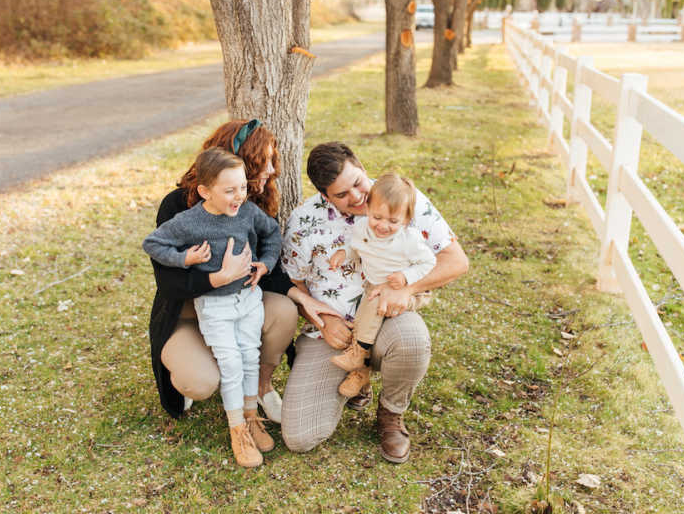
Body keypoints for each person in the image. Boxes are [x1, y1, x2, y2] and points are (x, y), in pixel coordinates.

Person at [280, 142, 469, 464]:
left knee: (410, 341)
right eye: (341, 194)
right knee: (300, 437)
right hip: (331, 332)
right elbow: (293, 284)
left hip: (387, 315)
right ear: (325, 197)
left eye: (357, 183)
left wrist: (408, 289)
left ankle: (391, 414)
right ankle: (356, 378)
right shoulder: (303, 222)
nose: (356, 197)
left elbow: (456, 262)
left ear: (362, 167)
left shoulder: (403, 200)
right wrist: (323, 321)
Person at [146, 119, 333, 433]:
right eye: (263, 163)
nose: (271, 171)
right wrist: (215, 278)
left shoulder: (252, 206)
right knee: (202, 382)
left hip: (239, 304)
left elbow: (268, 264)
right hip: (189, 313)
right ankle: (199, 367)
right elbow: (168, 283)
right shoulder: (178, 207)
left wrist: (302, 298)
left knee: (284, 311)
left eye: (273, 162)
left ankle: (259, 386)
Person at [144, 148, 280, 467]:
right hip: (215, 305)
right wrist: (185, 258)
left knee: (249, 356)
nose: (239, 196)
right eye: (229, 190)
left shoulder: (247, 211)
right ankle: (237, 430)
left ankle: (250, 415)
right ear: (205, 191)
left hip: (248, 300)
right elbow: (153, 243)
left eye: (243, 188)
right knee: (230, 364)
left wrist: (267, 264)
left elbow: (272, 232)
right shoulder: (190, 222)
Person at [326, 173, 436, 399]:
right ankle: (362, 372)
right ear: (367, 209)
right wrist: (343, 253)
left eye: (393, 221)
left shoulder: (409, 240)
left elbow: (429, 262)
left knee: (373, 308)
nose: (383, 226)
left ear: (406, 220)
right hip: (375, 285)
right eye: (377, 217)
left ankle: (358, 358)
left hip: (408, 290)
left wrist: (406, 277)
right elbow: (356, 247)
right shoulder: (362, 228)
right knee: (363, 315)